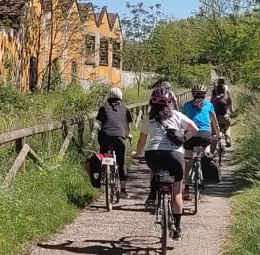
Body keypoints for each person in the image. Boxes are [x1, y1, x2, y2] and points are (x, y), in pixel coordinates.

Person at [134, 84, 196, 238]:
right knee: (177, 192)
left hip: (153, 154)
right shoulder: (176, 115)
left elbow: (142, 141)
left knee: (155, 169)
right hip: (175, 155)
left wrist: (137, 153)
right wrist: (182, 139)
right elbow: (194, 129)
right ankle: (177, 228)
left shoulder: (148, 118)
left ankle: (153, 193)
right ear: (169, 102)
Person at [94, 86, 133, 182]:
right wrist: (128, 135)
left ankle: (99, 174)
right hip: (120, 137)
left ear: (108, 97)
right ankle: (123, 189)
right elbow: (127, 127)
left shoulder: (103, 108)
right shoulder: (125, 109)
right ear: (120, 97)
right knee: (121, 162)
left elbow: (97, 125)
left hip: (105, 136)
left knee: (102, 155)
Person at [180, 84, 221, 155]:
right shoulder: (209, 105)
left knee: (188, 151)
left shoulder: (187, 105)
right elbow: (215, 123)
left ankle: (188, 161)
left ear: (193, 94)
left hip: (191, 133)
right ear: (204, 95)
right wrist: (218, 135)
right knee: (206, 146)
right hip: (205, 133)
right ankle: (206, 157)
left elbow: (181, 120)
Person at [211, 77, 233, 148]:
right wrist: (232, 112)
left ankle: (212, 148)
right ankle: (228, 139)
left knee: (213, 131)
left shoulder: (214, 98)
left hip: (215, 118)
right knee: (228, 126)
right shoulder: (227, 98)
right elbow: (231, 109)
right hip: (225, 118)